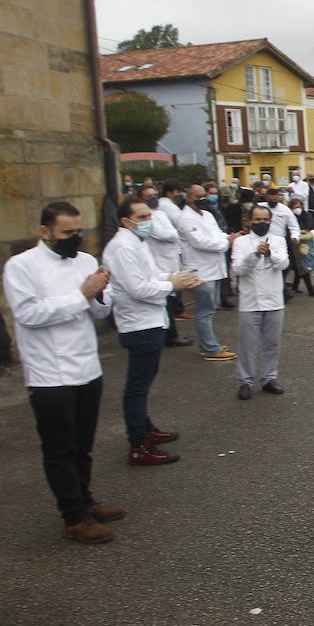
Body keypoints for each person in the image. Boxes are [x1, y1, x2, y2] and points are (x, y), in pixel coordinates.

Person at [3, 202, 124, 542]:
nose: (75, 238)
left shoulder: (85, 261)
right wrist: (81, 294)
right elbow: (29, 314)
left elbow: (101, 312)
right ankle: (73, 516)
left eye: (78, 232)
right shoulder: (21, 266)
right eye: (67, 233)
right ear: (45, 231)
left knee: (83, 443)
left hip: (87, 365)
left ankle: (85, 500)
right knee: (60, 447)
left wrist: (102, 293)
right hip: (49, 374)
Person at [103, 197, 201, 466]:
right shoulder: (123, 247)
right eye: (143, 217)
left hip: (150, 322)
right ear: (126, 221)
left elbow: (152, 276)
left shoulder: (137, 243)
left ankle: (145, 429)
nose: (149, 222)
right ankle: (138, 443)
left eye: (149, 216)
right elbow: (139, 289)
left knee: (143, 384)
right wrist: (173, 286)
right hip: (139, 324)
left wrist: (175, 279)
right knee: (137, 386)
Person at [232, 205, 290, 400]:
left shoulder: (279, 240)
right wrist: (255, 254)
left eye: (265, 220)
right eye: (257, 220)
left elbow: (283, 264)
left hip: (274, 300)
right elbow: (239, 269)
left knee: (272, 343)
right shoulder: (241, 242)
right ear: (249, 221)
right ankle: (245, 381)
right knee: (247, 344)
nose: (262, 223)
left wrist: (269, 254)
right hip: (250, 301)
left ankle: (268, 378)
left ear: (270, 221)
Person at [177, 185, 236, 361]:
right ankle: (211, 349)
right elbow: (200, 242)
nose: (203, 199)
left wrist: (227, 238)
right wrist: (226, 243)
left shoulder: (208, 215)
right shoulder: (185, 218)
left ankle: (207, 344)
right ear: (188, 198)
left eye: (205, 196)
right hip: (200, 271)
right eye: (199, 196)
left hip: (214, 268)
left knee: (210, 308)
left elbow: (217, 234)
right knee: (205, 310)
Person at [138, 184, 191, 347]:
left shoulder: (160, 213)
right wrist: (175, 234)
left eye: (154, 195)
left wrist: (174, 234)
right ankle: (171, 336)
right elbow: (163, 234)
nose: (153, 198)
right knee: (165, 300)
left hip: (170, 259)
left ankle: (171, 334)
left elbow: (172, 232)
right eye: (148, 196)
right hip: (159, 261)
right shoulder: (146, 218)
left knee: (170, 299)